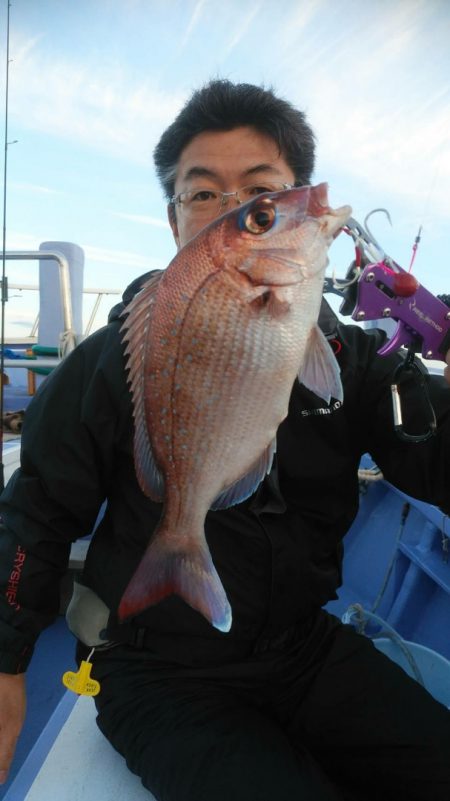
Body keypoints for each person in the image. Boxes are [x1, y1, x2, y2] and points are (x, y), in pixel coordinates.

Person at [0, 79, 449, 801]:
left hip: (303, 645)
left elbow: (433, 440)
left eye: (261, 194)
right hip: (155, 674)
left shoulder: (355, 362)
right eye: (203, 193)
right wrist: (6, 665)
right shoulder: (116, 357)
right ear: (175, 218)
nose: (232, 210)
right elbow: (39, 507)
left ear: (310, 207)